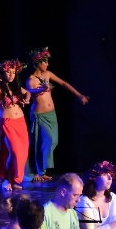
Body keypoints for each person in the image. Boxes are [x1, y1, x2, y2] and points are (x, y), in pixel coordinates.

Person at [25, 47, 89, 182]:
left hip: (51, 115)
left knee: (53, 141)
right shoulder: (31, 79)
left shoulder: (47, 74)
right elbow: (30, 90)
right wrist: (40, 89)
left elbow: (63, 83)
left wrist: (79, 95)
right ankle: (38, 171)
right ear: (38, 62)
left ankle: (42, 170)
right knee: (41, 142)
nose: (47, 64)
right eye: (45, 62)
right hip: (39, 116)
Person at [0, 59, 31, 192]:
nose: (11, 75)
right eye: (8, 72)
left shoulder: (15, 87)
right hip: (7, 123)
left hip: (20, 122)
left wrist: (26, 99)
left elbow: (27, 92)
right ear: (2, 72)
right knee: (14, 152)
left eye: (13, 72)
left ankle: (17, 180)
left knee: (23, 153)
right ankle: (7, 179)